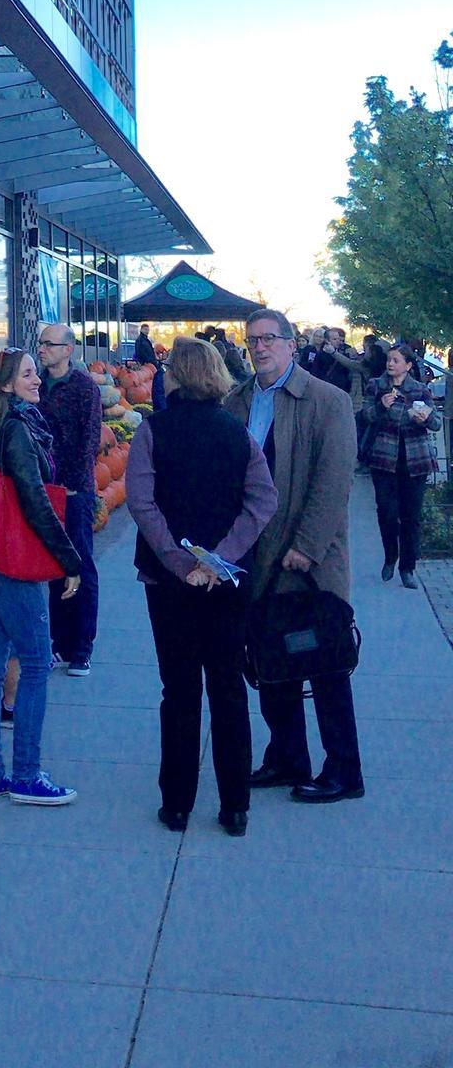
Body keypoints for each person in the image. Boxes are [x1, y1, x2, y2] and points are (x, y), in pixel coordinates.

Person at [127, 337, 277, 836]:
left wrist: (177, 559)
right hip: (227, 581)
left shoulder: (153, 431)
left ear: (177, 377)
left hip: (168, 581)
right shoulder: (238, 434)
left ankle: (177, 803)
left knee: (180, 688)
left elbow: (141, 503)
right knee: (229, 688)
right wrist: (222, 559)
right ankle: (236, 805)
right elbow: (262, 502)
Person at [226, 308, 364, 803]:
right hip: (255, 558)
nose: (259, 347)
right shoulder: (237, 400)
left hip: (309, 562)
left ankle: (344, 771)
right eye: (252, 340)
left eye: (269, 338)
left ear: (290, 343)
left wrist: (307, 546)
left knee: (324, 663)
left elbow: (333, 482)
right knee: (270, 661)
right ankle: (287, 758)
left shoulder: (328, 400)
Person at [0, 349, 82, 805]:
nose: (39, 378)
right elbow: (34, 498)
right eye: (29, 374)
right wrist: (68, 559)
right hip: (15, 562)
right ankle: (27, 775)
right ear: (9, 385)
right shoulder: (18, 428)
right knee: (36, 664)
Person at [37, 324, 102, 675]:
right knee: (50, 567)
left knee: (80, 564)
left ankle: (81, 647)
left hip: (75, 492)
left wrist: (75, 485)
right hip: (42, 491)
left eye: (50, 344)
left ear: (68, 350)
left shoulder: (83, 388)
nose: (43, 349)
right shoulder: (36, 386)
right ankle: (57, 643)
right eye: (41, 343)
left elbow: (90, 440)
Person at [361, 343, 441, 588]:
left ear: (407, 365)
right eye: (389, 359)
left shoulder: (419, 390)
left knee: (411, 516)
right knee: (386, 513)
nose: (390, 363)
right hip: (384, 458)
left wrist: (425, 417)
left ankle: (408, 568)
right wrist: (380, 407)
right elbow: (364, 416)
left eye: (396, 360)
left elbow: (436, 423)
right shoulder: (377, 385)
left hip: (415, 460)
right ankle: (390, 557)